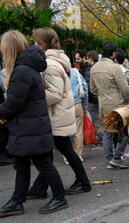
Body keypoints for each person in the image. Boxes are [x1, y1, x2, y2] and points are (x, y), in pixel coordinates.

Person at [0, 30, 67, 217]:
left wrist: (2, 112)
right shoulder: (27, 66)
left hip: (29, 127)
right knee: (22, 165)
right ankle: (17, 201)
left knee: (43, 164)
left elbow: (13, 102)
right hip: (28, 126)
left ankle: (60, 197)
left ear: (9, 48)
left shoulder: (21, 70)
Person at [29, 27, 91, 198]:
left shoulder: (49, 64)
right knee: (55, 153)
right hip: (59, 114)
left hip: (56, 115)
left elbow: (55, 94)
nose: (33, 45)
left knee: (62, 152)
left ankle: (83, 182)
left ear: (41, 44)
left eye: (35, 41)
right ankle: (40, 187)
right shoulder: (55, 61)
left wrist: (34, 97)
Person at [90, 41, 129, 169]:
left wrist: (103, 94)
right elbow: (125, 88)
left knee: (108, 133)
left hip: (103, 104)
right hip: (117, 104)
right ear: (114, 54)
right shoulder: (115, 68)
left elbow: (93, 90)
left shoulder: (94, 68)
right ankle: (116, 157)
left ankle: (110, 159)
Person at [69, 66, 88, 161]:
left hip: (63, 106)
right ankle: (78, 154)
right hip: (77, 103)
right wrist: (85, 106)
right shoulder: (75, 72)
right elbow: (85, 87)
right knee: (78, 131)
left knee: (66, 132)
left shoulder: (57, 71)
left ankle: (67, 156)